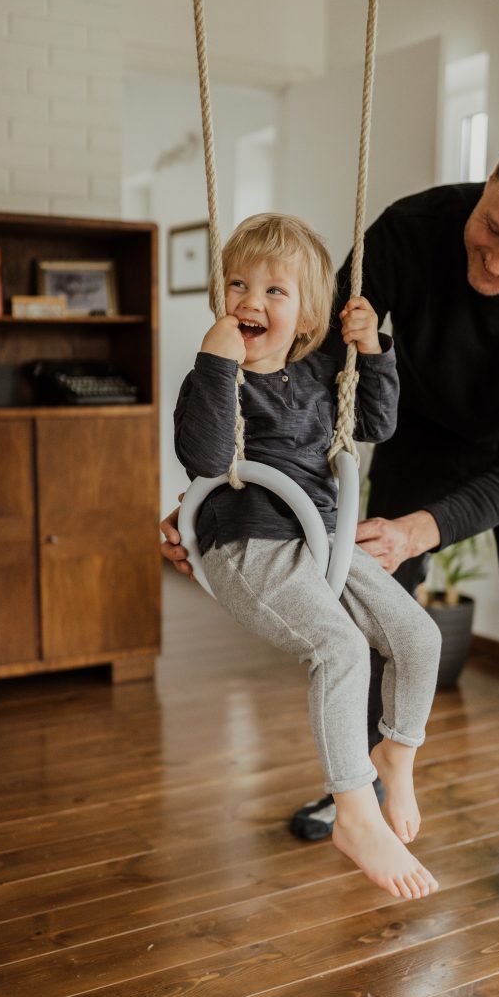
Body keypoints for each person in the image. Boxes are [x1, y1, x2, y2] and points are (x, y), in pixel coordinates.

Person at [162, 117, 499, 922]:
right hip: (418, 431)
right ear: (495, 173)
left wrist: (420, 530)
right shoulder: (411, 228)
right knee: (364, 613)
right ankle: (356, 784)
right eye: (494, 227)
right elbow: (306, 353)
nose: (498, 263)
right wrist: (217, 494)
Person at [174, 212, 441, 901]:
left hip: (321, 536)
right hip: (251, 545)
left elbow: (376, 424)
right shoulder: (220, 378)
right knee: (342, 651)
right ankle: (353, 811)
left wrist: (373, 351)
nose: (251, 302)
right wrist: (215, 360)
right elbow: (203, 457)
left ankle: (396, 756)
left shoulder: (324, 370)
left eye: (275, 290)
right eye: (238, 284)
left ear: (309, 314)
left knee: (418, 634)